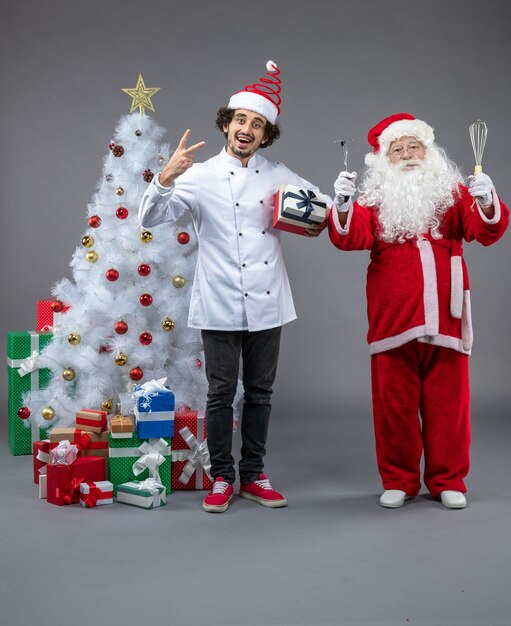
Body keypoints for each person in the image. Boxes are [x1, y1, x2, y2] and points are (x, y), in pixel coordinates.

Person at [138, 61, 330, 513]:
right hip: (219, 300)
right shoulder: (199, 175)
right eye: (240, 120)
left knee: (261, 393)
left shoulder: (279, 173)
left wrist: (338, 196)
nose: (247, 129)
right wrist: (164, 177)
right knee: (221, 394)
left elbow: (323, 212)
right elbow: (150, 219)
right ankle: (223, 477)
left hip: (269, 300)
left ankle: (254, 475)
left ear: (266, 135)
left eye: (257, 124)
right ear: (226, 125)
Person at [328, 112, 508, 509]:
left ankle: (448, 480)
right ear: (384, 158)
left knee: (449, 406)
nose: (407, 154)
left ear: (429, 152)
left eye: (414, 146)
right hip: (393, 317)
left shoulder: (452, 193)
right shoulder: (373, 199)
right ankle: (399, 479)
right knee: (394, 406)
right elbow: (350, 237)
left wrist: (486, 199)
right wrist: (341, 204)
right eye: (397, 149)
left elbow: (486, 231)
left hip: (447, 315)